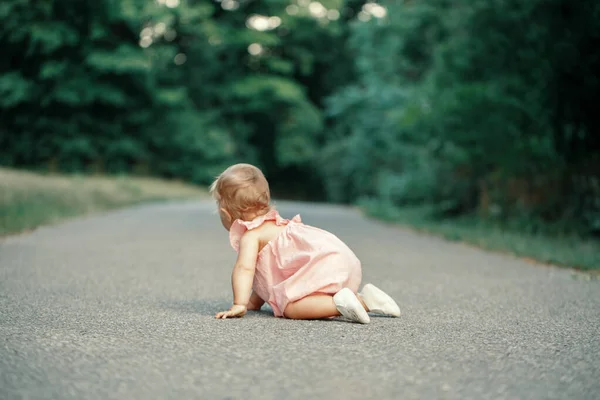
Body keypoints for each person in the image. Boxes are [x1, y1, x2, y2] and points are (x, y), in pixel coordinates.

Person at [211, 163, 400, 324]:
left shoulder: (251, 236)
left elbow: (245, 269)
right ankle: (371, 300)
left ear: (226, 214)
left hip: (321, 266)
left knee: (291, 307)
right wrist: (255, 302)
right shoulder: (276, 226)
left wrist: (240, 304)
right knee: (299, 295)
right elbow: (271, 275)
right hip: (336, 258)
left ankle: (358, 302)